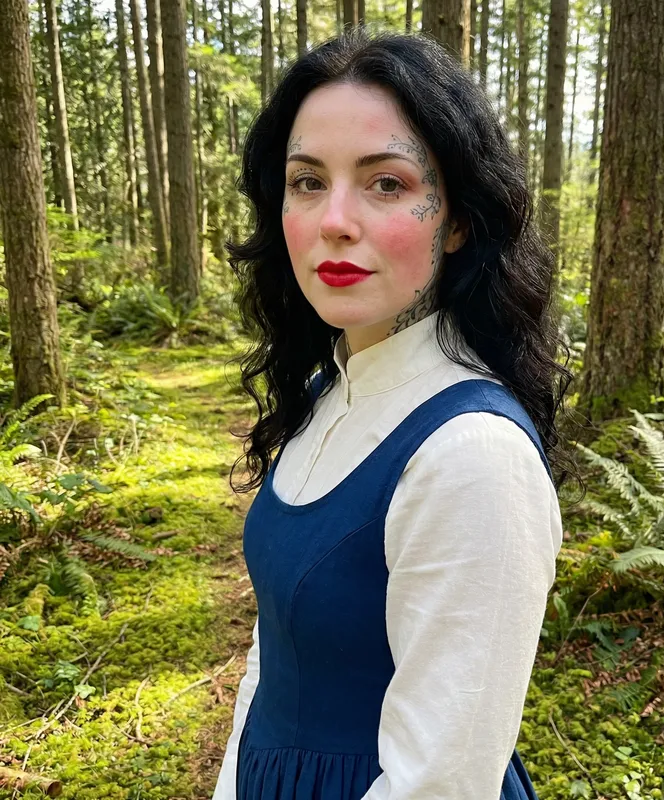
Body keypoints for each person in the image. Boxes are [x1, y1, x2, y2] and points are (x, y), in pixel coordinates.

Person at [213, 27, 571, 800]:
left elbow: (439, 780)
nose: (334, 219)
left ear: (459, 219)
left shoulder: (470, 455)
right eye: (307, 181)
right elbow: (271, 655)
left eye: (386, 184)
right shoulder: (326, 393)